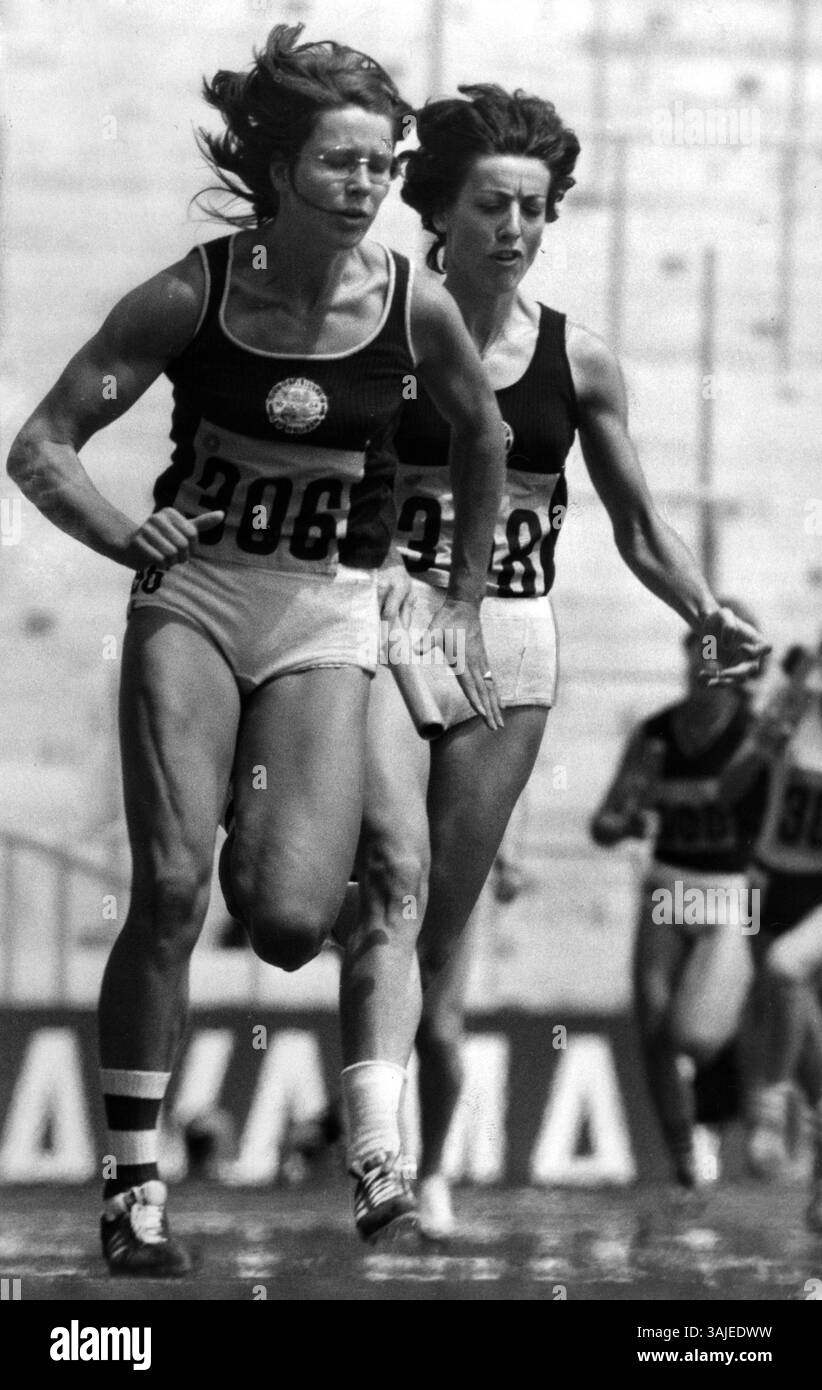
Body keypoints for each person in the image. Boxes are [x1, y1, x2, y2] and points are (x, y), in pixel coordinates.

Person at [6, 25, 508, 1272]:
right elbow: (41, 445)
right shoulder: (200, 291)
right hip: (198, 600)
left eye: (382, 168)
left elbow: (485, 433)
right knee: (169, 889)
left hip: (325, 613)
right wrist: (129, 536)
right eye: (342, 164)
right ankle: (133, 1186)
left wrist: (458, 597)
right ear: (282, 169)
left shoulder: (410, 300)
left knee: (286, 920)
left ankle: (262, 799)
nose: (368, 187)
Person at [330, 84, 769, 1240]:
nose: (515, 229)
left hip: (513, 640)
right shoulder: (382, 325)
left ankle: (425, 1164)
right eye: (492, 206)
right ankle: (377, 1149)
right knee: (393, 877)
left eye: (533, 208)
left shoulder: (581, 362)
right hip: (393, 614)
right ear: (447, 212)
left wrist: (705, 605)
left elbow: (634, 523)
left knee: (437, 940)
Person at [591, 602, 769, 1191]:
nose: (705, 668)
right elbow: (604, 823)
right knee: (652, 1016)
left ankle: (729, 1110)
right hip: (669, 883)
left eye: (719, 658)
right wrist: (627, 820)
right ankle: (683, 1152)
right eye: (700, 653)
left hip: (730, 891)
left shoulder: (757, 736)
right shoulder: (657, 734)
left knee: (697, 1028)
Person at [721, 640, 822, 1231]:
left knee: (787, 969)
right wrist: (765, 740)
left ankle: (767, 1109)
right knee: (806, 1033)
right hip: (769, 881)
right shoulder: (795, 696)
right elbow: (730, 789)